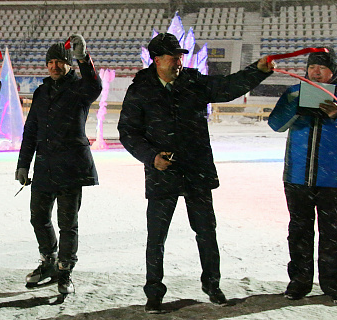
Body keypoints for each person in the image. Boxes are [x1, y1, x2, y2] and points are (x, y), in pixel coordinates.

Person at [117, 32, 274, 313]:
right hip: (162, 172)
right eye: (172, 57)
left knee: (206, 232)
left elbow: (227, 87)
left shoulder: (194, 82)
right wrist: (151, 157)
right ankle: (154, 292)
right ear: (156, 60)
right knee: (156, 237)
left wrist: (257, 70)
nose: (178, 61)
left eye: (180, 56)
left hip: (196, 170)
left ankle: (212, 285)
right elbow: (128, 132)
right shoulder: (140, 89)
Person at [268, 48, 337, 305]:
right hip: (296, 176)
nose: (315, 72)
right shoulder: (294, 92)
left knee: (332, 233)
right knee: (299, 231)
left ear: (333, 70)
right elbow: (275, 124)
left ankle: (334, 286)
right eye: (312, 67)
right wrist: (295, 109)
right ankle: (299, 283)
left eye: (322, 68)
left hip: (332, 178)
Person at [15, 34, 102, 295]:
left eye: (59, 62)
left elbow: (94, 86)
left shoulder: (79, 88)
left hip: (71, 168)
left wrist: (83, 57)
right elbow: (31, 130)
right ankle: (49, 261)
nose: (54, 66)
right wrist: (23, 164)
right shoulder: (41, 92)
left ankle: (65, 270)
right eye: (50, 62)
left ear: (69, 64)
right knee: (38, 217)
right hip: (44, 166)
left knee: (67, 224)